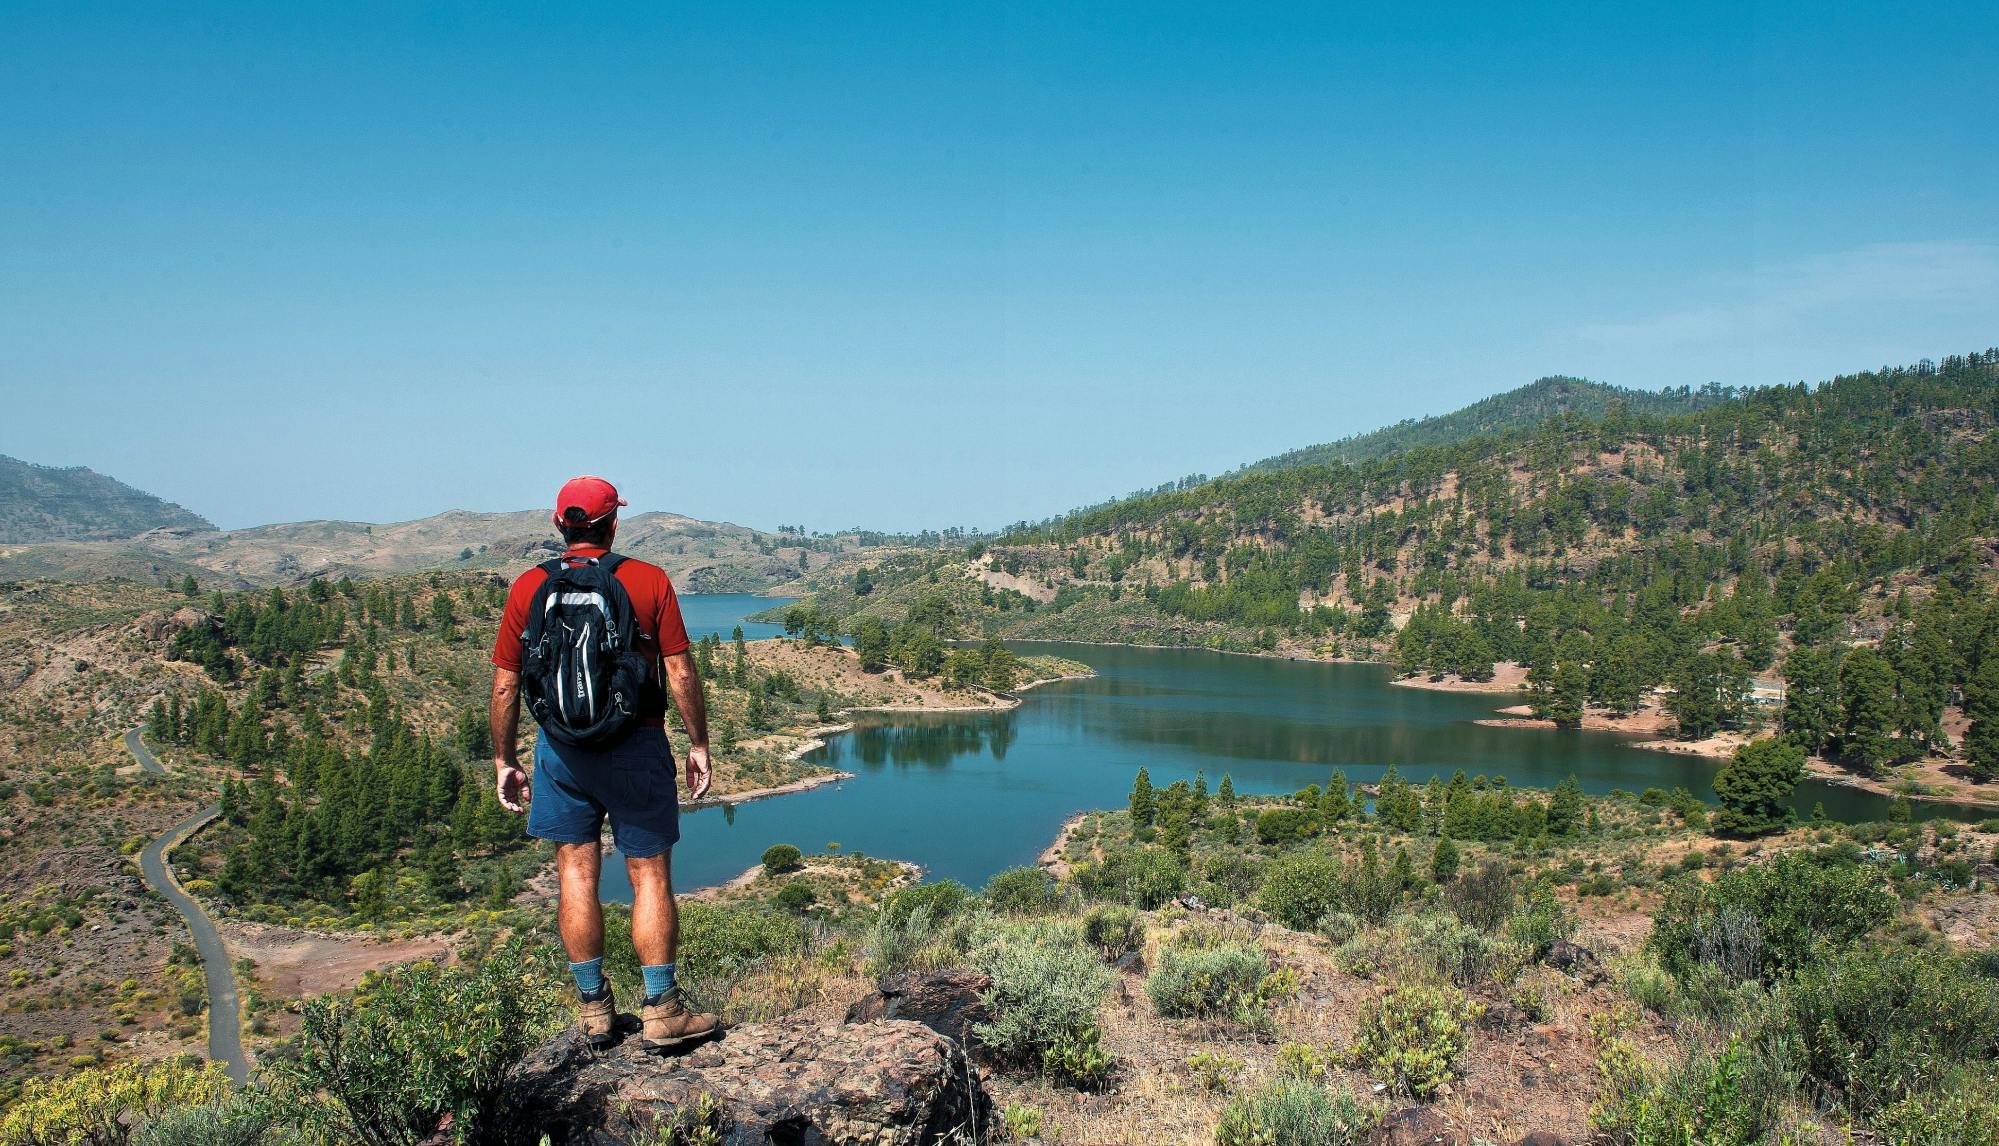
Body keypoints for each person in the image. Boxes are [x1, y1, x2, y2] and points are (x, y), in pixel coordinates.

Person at [489, 474, 720, 1052]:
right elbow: (681, 673)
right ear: (614, 522)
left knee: (575, 872)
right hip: (636, 746)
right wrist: (698, 744)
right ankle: (662, 1009)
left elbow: (504, 685)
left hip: (561, 752)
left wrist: (503, 759)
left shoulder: (528, 588)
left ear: (559, 526)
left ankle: (594, 1009)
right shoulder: (646, 580)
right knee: (648, 874)